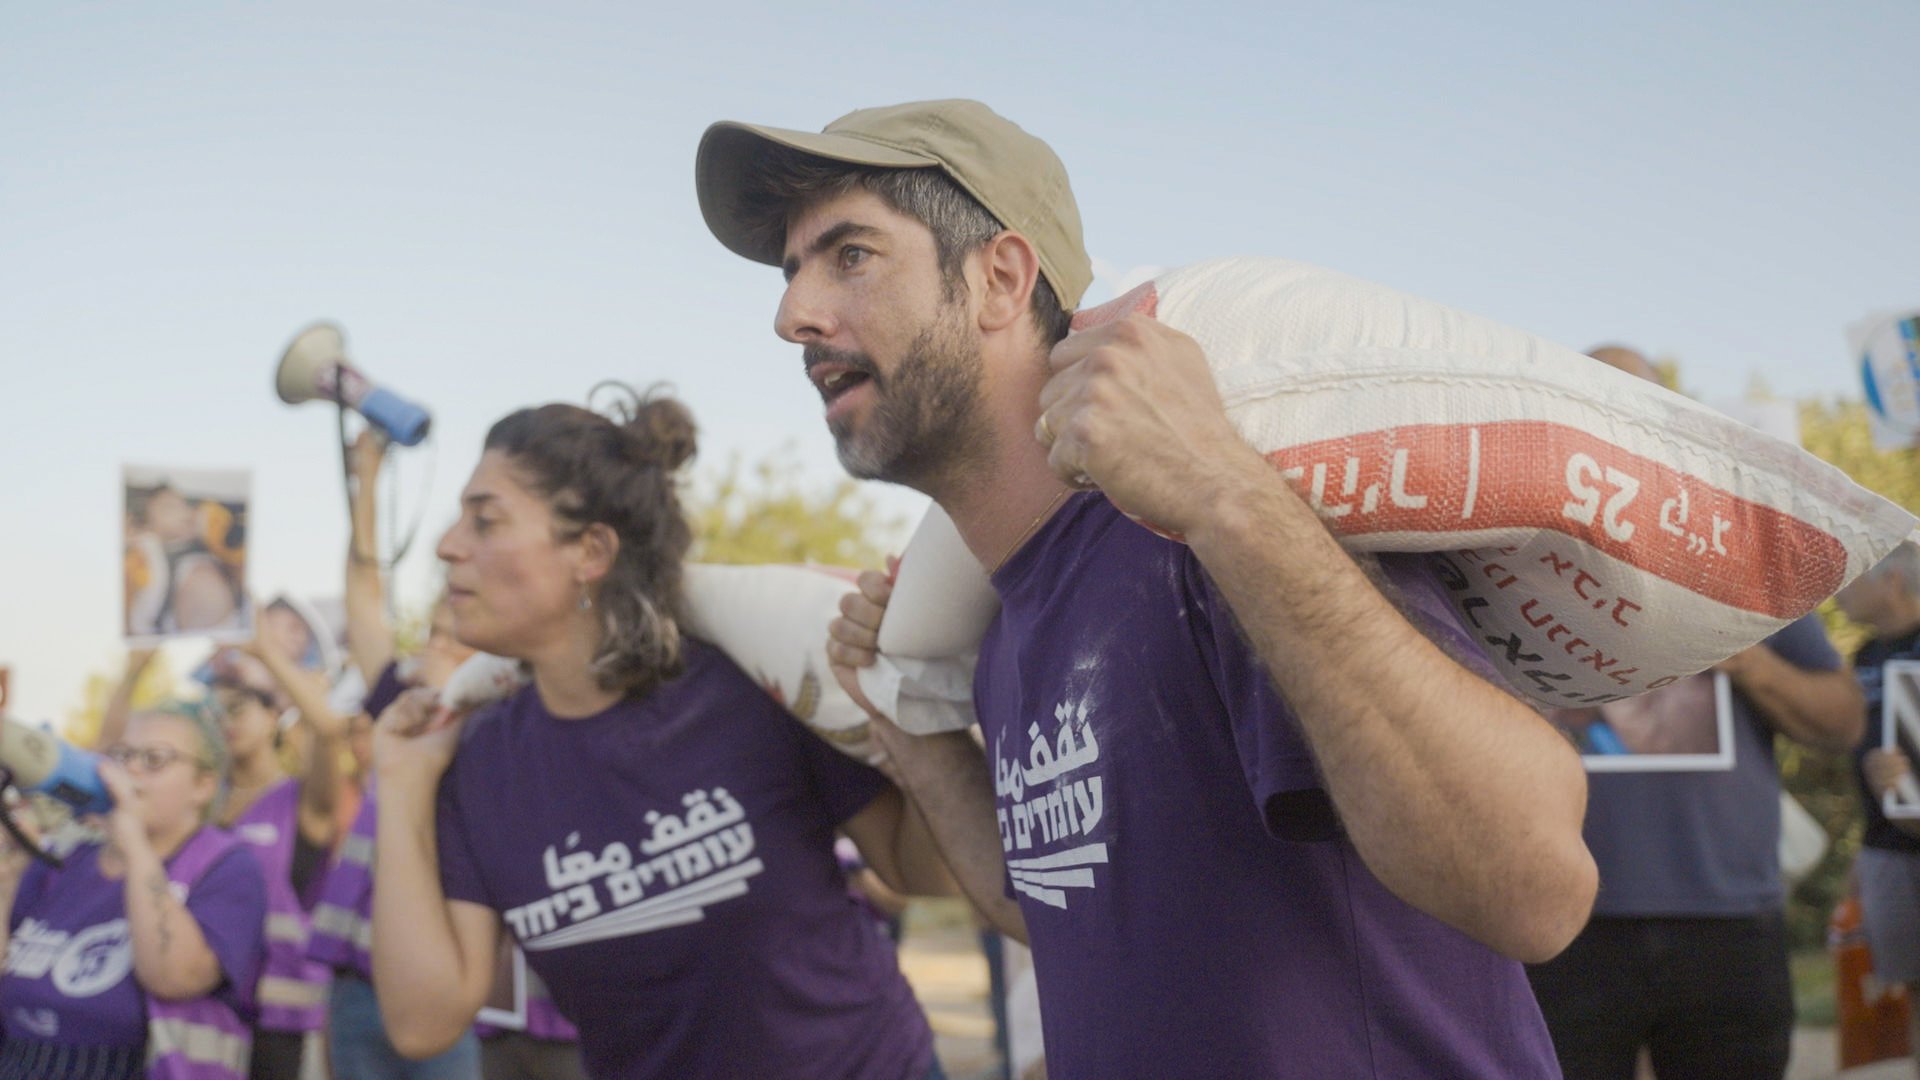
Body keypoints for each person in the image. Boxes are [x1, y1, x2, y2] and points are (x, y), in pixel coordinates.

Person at [698, 98, 1594, 1077]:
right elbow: (1057, 910)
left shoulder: (1207, 531)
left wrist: (1230, 501)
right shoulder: (1003, 623)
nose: (794, 317)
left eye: (851, 256)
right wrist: (905, 718)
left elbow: (1536, 890)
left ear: (999, 278)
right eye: (793, 276)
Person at [371, 387, 951, 1079]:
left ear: (590, 551)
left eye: (485, 521)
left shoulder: (748, 687)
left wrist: (922, 726)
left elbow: (924, 870)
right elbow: (422, 1022)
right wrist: (402, 780)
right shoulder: (482, 761)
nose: (445, 545)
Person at [1520, 345, 1865, 1079]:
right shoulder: (1512, 554)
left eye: (1635, 408)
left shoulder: (1742, 552)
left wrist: (1744, 657)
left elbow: (1842, 722)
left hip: (1728, 918)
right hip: (1557, 920)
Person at [307, 429, 490, 1080]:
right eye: (433, 632)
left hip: (445, 992)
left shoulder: (501, 732)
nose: (436, 646)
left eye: (456, 637)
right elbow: (364, 596)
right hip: (356, 984)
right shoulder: (400, 705)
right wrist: (367, 482)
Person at [0, 703, 268, 1078]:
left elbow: (174, 978)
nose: (131, 769)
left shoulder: (228, 867)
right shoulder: (65, 860)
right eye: (122, 755)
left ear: (203, 786)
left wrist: (134, 842)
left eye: (155, 759)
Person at [1838, 542, 1920, 1071]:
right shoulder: (1863, 655)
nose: (1839, 592)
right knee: (1909, 988)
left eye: (1851, 578)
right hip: (1885, 850)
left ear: (1891, 580)